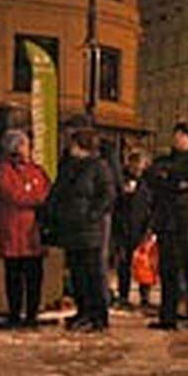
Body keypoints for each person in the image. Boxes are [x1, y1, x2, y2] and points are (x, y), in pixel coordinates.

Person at [48, 129, 114, 333]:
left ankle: (97, 315)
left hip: (89, 229)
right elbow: (59, 192)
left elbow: (107, 194)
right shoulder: (69, 166)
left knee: (92, 273)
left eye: (74, 143)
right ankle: (83, 311)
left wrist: (92, 215)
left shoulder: (98, 167)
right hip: (72, 228)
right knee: (77, 273)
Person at [147, 122, 188, 332]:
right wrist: (173, 182)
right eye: (176, 135)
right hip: (167, 223)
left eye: (182, 135)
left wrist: (168, 180)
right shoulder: (164, 160)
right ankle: (168, 316)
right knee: (168, 272)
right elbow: (153, 178)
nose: (177, 139)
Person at [0, 130, 50, 328]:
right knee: (14, 276)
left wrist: (32, 195)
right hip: (13, 231)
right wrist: (34, 196)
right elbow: (13, 194)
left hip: (32, 232)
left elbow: (45, 191)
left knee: (34, 275)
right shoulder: (4, 170)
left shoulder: (36, 170)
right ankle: (15, 313)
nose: (30, 148)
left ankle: (32, 314)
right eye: (26, 145)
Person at [112, 149, 153, 311]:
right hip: (124, 229)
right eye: (134, 163)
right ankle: (123, 295)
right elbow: (116, 205)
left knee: (144, 265)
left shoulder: (148, 184)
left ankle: (145, 296)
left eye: (140, 164)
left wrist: (150, 229)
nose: (136, 167)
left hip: (141, 228)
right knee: (124, 264)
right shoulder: (121, 181)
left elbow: (152, 206)